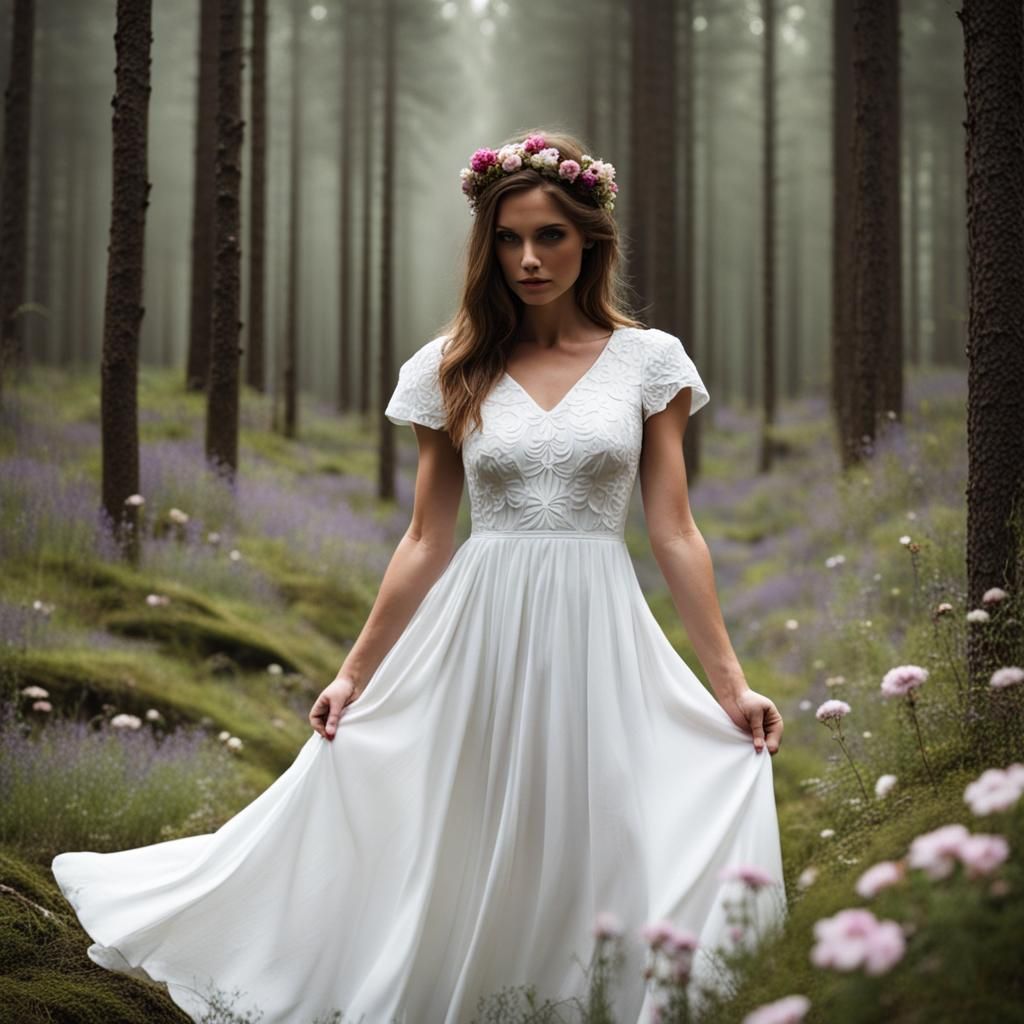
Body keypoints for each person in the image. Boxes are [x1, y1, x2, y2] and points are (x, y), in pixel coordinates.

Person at [52, 128, 786, 1024]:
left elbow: (673, 531)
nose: (528, 258)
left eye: (550, 235)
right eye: (509, 238)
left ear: (591, 239)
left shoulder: (650, 361)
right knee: (464, 825)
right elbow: (425, 539)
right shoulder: (448, 367)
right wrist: (353, 672)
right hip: (480, 625)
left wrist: (730, 685)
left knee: (603, 820)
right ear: (487, 246)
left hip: (601, 626)